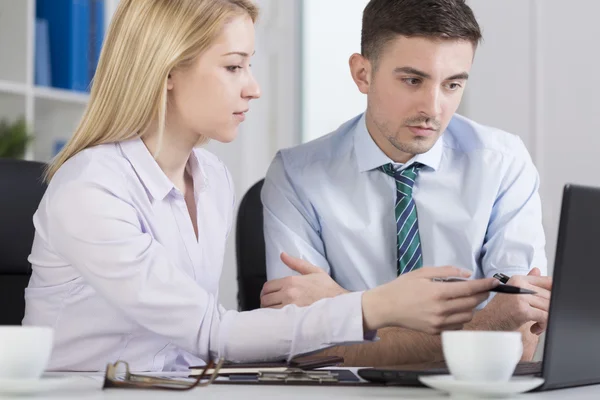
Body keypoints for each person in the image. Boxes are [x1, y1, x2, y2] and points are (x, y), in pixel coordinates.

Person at [22, 0, 499, 372]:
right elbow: (210, 331)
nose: (253, 88)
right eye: (233, 67)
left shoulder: (211, 179)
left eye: (249, 66)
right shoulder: (91, 189)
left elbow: (198, 345)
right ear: (167, 72)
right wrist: (377, 305)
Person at [261, 0, 552, 366]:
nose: (433, 107)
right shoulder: (296, 175)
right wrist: (485, 327)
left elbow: (517, 344)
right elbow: (304, 342)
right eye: (413, 80)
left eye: (452, 84)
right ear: (362, 73)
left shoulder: (503, 164)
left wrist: (343, 307)